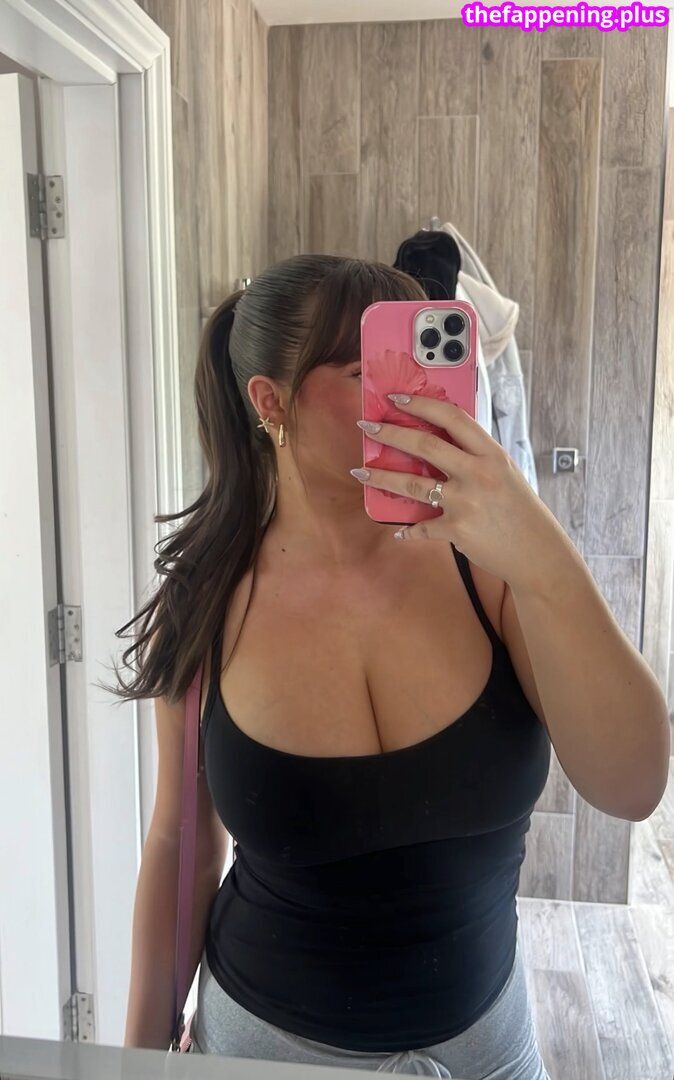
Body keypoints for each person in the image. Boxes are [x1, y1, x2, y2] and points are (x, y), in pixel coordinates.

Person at [115, 253, 564, 1077]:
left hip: (491, 1056)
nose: (413, 394)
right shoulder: (203, 603)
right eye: (369, 370)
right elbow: (180, 840)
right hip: (257, 1053)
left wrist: (538, 541)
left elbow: (633, 776)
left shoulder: (491, 570)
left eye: (417, 363)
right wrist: (136, 1062)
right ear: (270, 402)